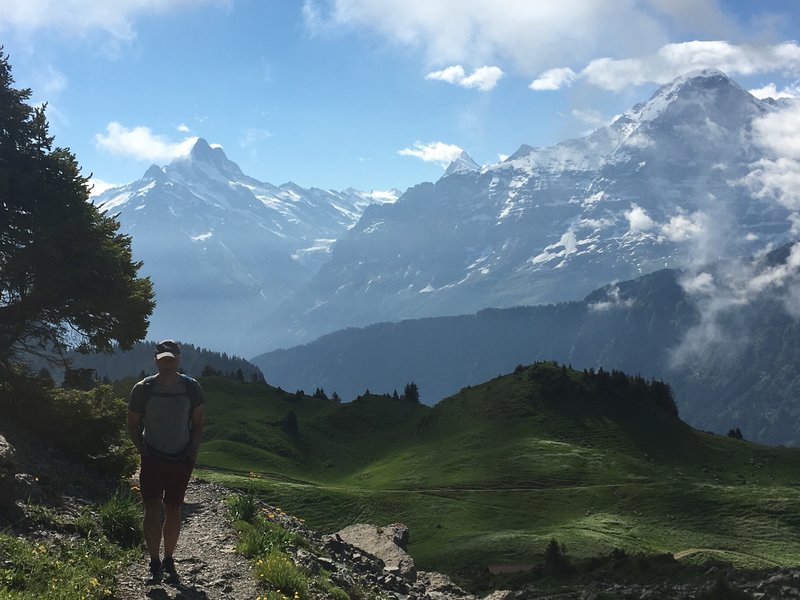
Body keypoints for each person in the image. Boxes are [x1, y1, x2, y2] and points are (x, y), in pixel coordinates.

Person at [127, 340, 205, 582]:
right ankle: (154, 562)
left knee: (173, 508)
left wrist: (192, 454)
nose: (167, 363)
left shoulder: (192, 388)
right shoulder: (143, 388)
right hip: (153, 457)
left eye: (171, 359)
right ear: (156, 360)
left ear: (179, 360)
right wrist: (142, 450)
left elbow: (198, 423)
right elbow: (132, 423)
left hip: (180, 458)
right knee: (152, 507)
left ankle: (169, 558)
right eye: (163, 359)